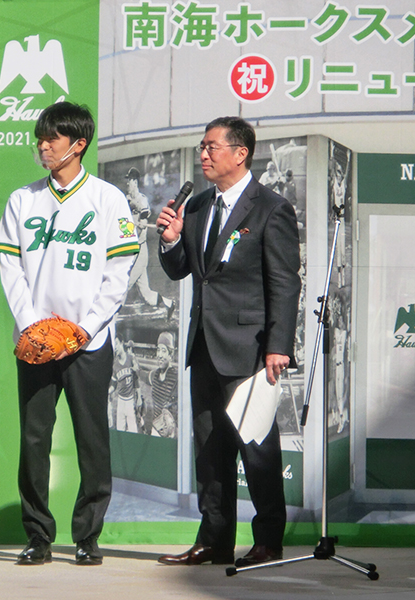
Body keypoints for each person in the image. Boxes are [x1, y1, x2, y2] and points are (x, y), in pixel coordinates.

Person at [0, 101, 139, 567]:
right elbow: (10, 266)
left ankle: (87, 536)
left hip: (87, 342)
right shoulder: (23, 199)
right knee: (34, 439)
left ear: (78, 144)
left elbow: (119, 272)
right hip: (36, 341)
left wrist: (84, 328)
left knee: (92, 440)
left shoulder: (107, 199)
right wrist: (32, 325)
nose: (43, 145)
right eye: (40, 136)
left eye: (52, 137)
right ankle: (38, 535)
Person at [155, 116, 301, 567]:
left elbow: (285, 282)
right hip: (204, 346)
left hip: (251, 349)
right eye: (202, 146)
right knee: (210, 450)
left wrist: (278, 344)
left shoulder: (271, 208)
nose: (203, 154)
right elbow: (182, 270)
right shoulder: (198, 206)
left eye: (212, 147)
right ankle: (214, 540)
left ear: (241, 153)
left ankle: (268, 540)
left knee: (257, 449)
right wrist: (171, 241)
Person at [124, 167, 174, 317]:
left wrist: (140, 222)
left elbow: (144, 216)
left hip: (139, 249)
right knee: (146, 294)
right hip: (131, 248)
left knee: (124, 285)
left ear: (134, 181)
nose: (127, 183)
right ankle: (169, 304)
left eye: (129, 180)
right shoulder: (126, 198)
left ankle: (110, 318)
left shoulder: (141, 199)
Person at [147, 331, 178, 438]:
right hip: (155, 428)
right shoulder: (155, 374)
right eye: (158, 350)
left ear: (171, 354)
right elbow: (144, 376)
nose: (159, 355)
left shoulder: (176, 378)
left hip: (169, 432)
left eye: (164, 351)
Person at [109, 337, 140, 433]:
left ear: (122, 343)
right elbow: (114, 384)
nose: (115, 348)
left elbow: (136, 379)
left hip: (130, 400)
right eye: (114, 346)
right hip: (120, 401)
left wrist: (139, 398)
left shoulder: (130, 358)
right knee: (120, 430)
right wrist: (108, 391)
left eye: (117, 344)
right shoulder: (115, 365)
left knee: (133, 431)